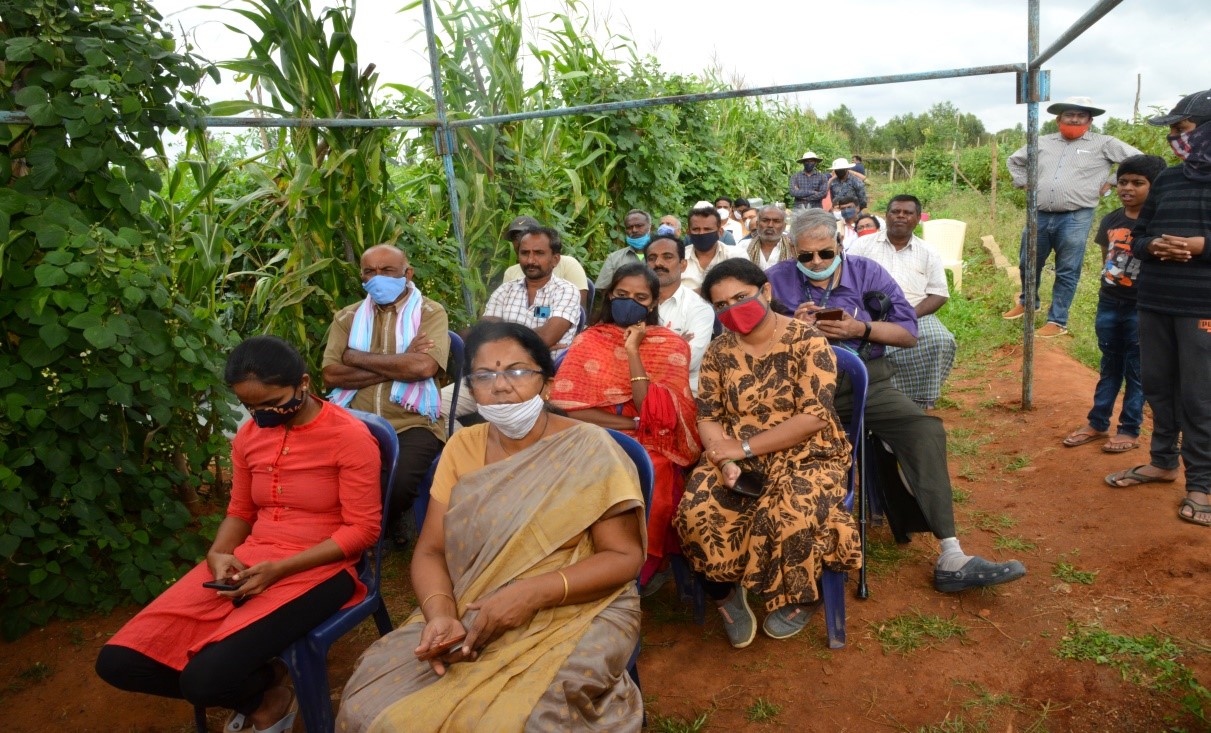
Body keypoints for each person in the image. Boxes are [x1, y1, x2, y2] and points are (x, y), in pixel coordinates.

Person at [337, 322, 647, 731]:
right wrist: (441, 614)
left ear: (548, 385)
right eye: (484, 376)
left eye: (517, 371)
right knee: (370, 708)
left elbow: (624, 557)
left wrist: (530, 594)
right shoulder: (462, 446)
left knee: (527, 717)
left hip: (581, 602)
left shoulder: (591, 448)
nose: (500, 386)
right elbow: (430, 550)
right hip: (474, 599)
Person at [97, 336, 382, 733]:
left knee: (201, 681)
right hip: (251, 559)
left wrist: (279, 570)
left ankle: (265, 694)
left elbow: (363, 530)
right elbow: (241, 511)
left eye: (271, 403)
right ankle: (265, 693)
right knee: (118, 662)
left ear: (303, 383)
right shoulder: (251, 435)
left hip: (322, 566)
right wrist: (219, 553)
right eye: (250, 406)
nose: (261, 415)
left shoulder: (347, 436)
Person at [766, 208, 1027, 592]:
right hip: (798, 389)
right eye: (807, 256)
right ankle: (797, 552)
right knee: (795, 453)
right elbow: (747, 336)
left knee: (923, 430)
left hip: (868, 381)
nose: (817, 262)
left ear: (840, 243)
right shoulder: (774, 281)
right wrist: (790, 327)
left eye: (825, 252)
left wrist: (861, 327)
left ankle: (951, 554)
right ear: (792, 250)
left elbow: (908, 332)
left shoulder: (867, 273)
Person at [674, 258, 861, 647]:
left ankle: (803, 595)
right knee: (696, 510)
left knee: (793, 511)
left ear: (767, 292)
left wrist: (742, 448)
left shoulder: (808, 341)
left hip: (809, 451)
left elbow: (812, 418)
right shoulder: (718, 352)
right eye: (721, 305)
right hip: (733, 451)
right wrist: (724, 459)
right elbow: (707, 416)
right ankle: (723, 591)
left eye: (741, 297)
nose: (732, 309)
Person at [550, 263, 701, 591]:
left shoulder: (670, 345)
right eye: (622, 295)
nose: (629, 301)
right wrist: (628, 423)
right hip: (595, 432)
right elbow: (565, 407)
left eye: (639, 297)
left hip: (652, 440)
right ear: (609, 296)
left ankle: (640, 565)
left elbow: (654, 411)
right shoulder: (589, 340)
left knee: (651, 468)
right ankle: (578, 558)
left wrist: (633, 350)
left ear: (653, 304)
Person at [1105, 89, 1211, 528]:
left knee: (1200, 396)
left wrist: (1199, 246)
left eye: (1181, 129)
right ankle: (1163, 462)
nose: (1174, 138)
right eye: (1172, 132)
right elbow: (1141, 234)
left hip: (1201, 307)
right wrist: (1157, 247)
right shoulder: (1166, 179)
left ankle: (1202, 484)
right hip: (1156, 299)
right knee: (1159, 385)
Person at [323, 244, 447, 545]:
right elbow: (331, 374)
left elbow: (423, 366)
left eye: (387, 271)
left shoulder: (430, 312)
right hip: (356, 418)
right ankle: (374, 527)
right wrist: (399, 361)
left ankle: (373, 529)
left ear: (407, 273)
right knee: (332, 475)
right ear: (362, 278)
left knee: (400, 480)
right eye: (370, 272)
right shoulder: (347, 317)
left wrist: (355, 357)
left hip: (412, 420)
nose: (378, 277)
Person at [1004, 96, 1143, 337]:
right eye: (1070, 115)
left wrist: (1112, 182)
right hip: (1038, 213)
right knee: (1029, 261)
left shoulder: (1103, 143)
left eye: (1081, 115)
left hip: (1076, 215)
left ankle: (1057, 320)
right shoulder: (1043, 142)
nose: (1075, 119)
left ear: (1090, 120)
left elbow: (1138, 160)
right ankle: (1028, 304)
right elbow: (1014, 161)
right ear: (1059, 119)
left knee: (1067, 267)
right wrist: (1025, 183)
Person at [1062, 155, 1166, 453]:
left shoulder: (1158, 222)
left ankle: (1129, 430)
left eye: (1137, 182)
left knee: (1136, 370)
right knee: (1109, 365)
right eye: (1122, 181)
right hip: (1109, 303)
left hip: (1142, 307)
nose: (1127, 188)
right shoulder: (1111, 220)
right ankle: (1097, 423)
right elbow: (1105, 257)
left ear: (1154, 186)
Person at [849, 194, 958, 409]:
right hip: (867, 313)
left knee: (941, 340)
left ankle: (920, 401)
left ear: (917, 219)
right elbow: (848, 280)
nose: (901, 216)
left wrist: (908, 315)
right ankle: (868, 400)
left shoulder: (928, 252)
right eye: (895, 212)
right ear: (886, 216)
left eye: (907, 213)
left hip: (914, 312)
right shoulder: (862, 245)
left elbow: (939, 293)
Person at [483, 226, 580, 359]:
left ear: (555, 260)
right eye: (524, 253)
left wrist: (502, 336)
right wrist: (534, 344)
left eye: (539, 253)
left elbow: (547, 337)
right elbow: (483, 334)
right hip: (502, 367)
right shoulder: (505, 291)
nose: (530, 260)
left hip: (547, 373)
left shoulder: (566, 291)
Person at [644, 231, 717, 394]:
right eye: (652, 258)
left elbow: (688, 360)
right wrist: (675, 343)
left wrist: (638, 349)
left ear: (683, 265)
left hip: (680, 392)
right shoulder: (634, 302)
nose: (658, 263)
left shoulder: (699, 308)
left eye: (667, 257)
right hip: (631, 389)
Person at [501, 215, 590, 309]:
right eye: (515, 237)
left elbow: (578, 309)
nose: (521, 239)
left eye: (527, 234)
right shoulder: (511, 273)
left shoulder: (568, 265)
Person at [683, 204, 742, 293]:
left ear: (720, 232)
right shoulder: (678, 258)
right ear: (688, 232)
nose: (701, 233)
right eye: (696, 229)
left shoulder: (735, 256)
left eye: (707, 229)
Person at [595, 209, 652, 290]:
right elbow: (604, 290)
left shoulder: (661, 256)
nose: (634, 230)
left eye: (639, 226)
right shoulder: (614, 258)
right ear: (625, 231)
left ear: (650, 227)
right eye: (629, 227)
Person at [745, 204, 793, 270]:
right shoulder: (743, 246)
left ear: (784, 226)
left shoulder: (793, 248)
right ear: (757, 224)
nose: (770, 225)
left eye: (776, 221)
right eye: (765, 220)